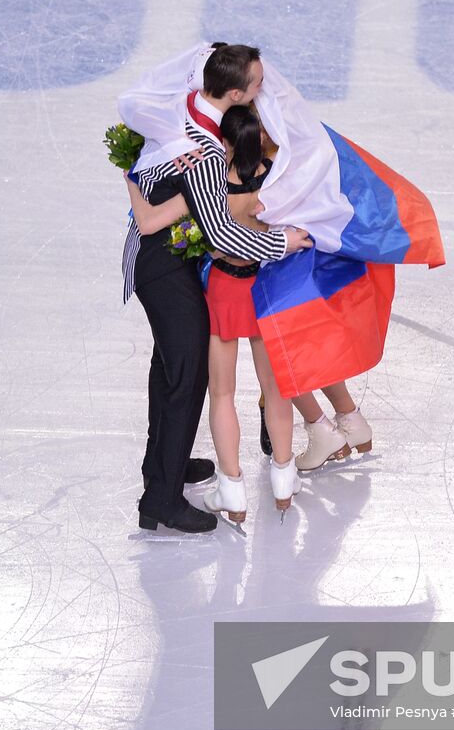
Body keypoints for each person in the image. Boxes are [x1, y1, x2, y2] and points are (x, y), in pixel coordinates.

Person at [119, 43, 313, 535]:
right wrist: (284, 241)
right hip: (163, 269)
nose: (263, 88)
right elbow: (223, 234)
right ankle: (160, 501)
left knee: (169, 369)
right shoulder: (205, 152)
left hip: (158, 261)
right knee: (187, 378)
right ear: (233, 92)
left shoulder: (184, 103)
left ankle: (165, 465)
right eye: (257, 82)